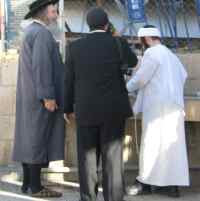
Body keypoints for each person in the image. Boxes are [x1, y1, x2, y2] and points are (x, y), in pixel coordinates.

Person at [64, 7, 138, 201]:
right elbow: (133, 61)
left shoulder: (74, 47)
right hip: (113, 111)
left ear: (89, 25)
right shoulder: (117, 43)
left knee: (87, 158)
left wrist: (67, 108)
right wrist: (117, 37)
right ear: (107, 25)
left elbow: (68, 80)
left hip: (86, 109)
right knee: (112, 159)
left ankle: (88, 197)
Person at [126, 25, 189, 198]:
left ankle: (145, 183)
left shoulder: (152, 53)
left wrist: (124, 88)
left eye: (140, 42)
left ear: (146, 39)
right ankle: (171, 186)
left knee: (152, 144)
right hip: (174, 107)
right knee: (171, 147)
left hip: (157, 108)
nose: (140, 45)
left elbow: (140, 79)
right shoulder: (171, 55)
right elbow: (183, 76)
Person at [13, 0, 65, 198]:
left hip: (29, 96)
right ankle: (35, 187)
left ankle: (28, 184)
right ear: (43, 12)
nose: (56, 15)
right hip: (39, 98)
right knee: (37, 140)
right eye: (54, 11)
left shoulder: (31, 32)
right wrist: (48, 96)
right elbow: (42, 67)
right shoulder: (42, 33)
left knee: (30, 139)